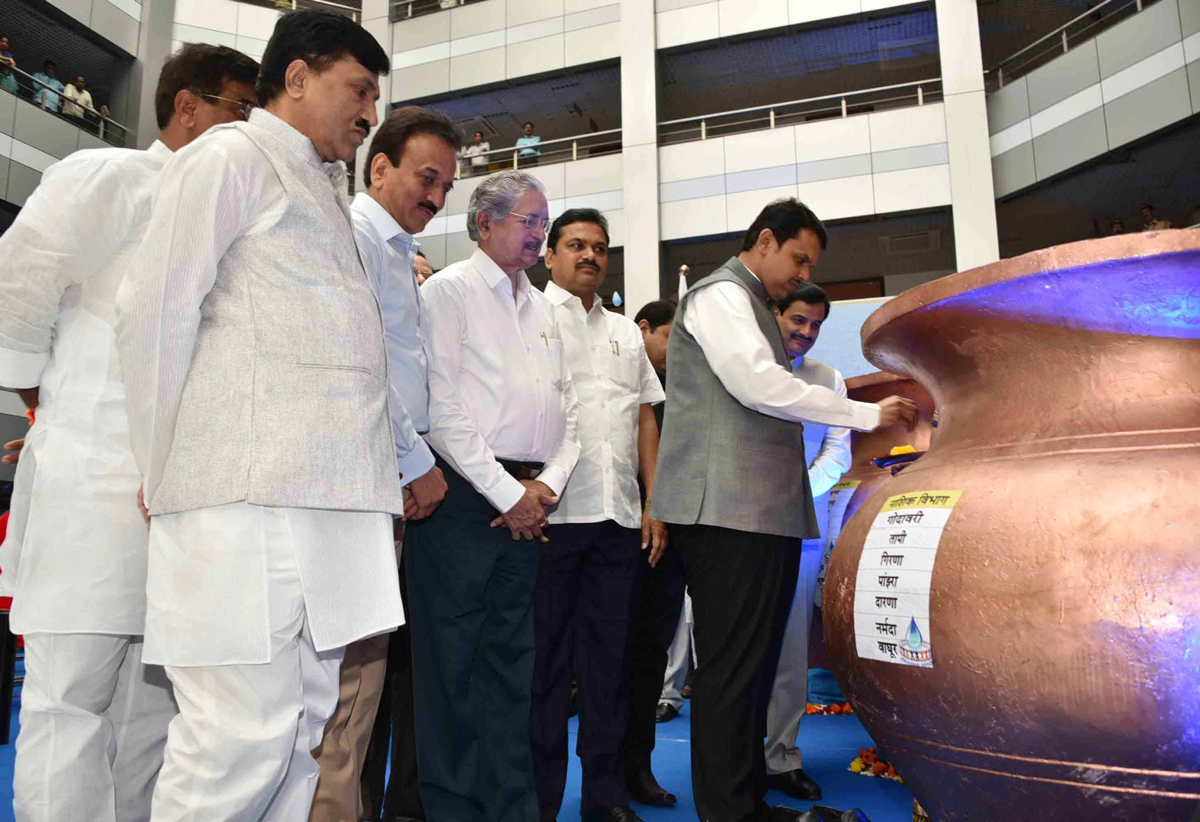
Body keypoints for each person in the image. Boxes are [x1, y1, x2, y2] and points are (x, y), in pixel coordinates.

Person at [115, 12, 401, 821]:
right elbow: (154, 311)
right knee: (238, 737)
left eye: (375, 96)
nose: (368, 113)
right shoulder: (230, 154)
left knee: (305, 730)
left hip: (334, 507)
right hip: (244, 500)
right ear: (299, 77)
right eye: (358, 90)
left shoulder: (320, 186)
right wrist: (162, 462)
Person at [0, 43, 259, 822]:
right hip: (90, 486)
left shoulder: (230, 218)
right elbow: (19, 285)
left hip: (181, 501)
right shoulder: (109, 176)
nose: (248, 128)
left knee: (156, 710)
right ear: (187, 107)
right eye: (238, 109)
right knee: (67, 704)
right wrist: (59, 407)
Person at [650, 197, 918, 822]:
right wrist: (864, 412)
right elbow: (758, 386)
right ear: (765, 241)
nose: (803, 274)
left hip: (761, 514)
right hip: (724, 511)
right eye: (798, 259)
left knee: (754, 668)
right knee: (730, 670)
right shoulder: (719, 296)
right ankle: (728, 809)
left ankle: (746, 799)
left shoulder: (755, 306)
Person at [408, 169, 580, 822]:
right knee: (451, 671)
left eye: (543, 221)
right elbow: (440, 408)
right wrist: (509, 493)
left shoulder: (545, 307)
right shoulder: (448, 293)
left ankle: (512, 810)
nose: (540, 233)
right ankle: (452, 810)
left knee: (514, 669)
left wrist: (546, 485)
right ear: (485, 224)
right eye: (527, 221)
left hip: (530, 502)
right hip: (462, 500)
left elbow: (572, 411)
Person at [309, 105, 459, 822]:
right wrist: (412, 460)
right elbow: (365, 361)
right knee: (345, 690)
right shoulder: (358, 237)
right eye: (426, 179)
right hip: (369, 482)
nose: (436, 198)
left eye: (446, 188)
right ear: (379, 167)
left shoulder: (397, 250)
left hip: (383, 487)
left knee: (361, 688)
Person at [532, 209, 666, 822]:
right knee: (547, 670)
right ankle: (537, 799)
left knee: (610, 666)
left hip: (619, 520)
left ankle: (604, 799)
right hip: (552, 521)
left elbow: (643, 415)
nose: (590, 256)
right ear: (550, 255)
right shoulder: (526, 317)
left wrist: (655, 502)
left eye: (600, 248)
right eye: (577, 245)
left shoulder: (627, 331)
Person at [763, 283, 852, 802]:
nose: (806, 332)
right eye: (798, 320)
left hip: (802, 530)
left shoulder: (829, 380)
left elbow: (838, 454)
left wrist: (794, 494)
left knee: (792, 654)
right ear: (775, 314)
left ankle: (781, 758)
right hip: (741, 533)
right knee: (739, 651)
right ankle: (733, 756)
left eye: (816, 325)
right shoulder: (748, 369)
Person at [622, 299, 687, 810]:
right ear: (643, 329)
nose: (678, 348)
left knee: (649, 661)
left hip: (668, 548)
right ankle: (600, 777)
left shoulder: (685, 390)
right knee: (604, 664)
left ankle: (637, 768)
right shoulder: (620, 372)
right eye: (670, 335)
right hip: (615, 536)